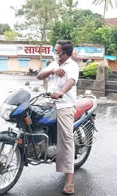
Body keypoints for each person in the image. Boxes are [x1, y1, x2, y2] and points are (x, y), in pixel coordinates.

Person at [37, 40, 78, 195]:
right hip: (48, 102)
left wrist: (61, 92)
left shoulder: (72, 66)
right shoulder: (54, 63)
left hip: (64, 105)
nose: (54, 52)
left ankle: (69, 181)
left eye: (56, 50)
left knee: (67, 139)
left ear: (64, 52)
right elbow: (39, 76)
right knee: (28, 114)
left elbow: (71, 81)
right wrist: (52, 71)